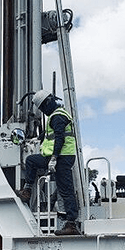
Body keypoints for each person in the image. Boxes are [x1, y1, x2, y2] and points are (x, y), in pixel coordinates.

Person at [17, 90, 81, 235]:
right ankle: (27, 191)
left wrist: (54, 158)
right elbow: (50, 133)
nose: (43, 112)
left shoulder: (57, 116)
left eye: (42, 108)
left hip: (61, 158)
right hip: (61, 157)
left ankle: (71, 224)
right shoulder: (57, 115)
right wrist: (38, 138)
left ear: (47, 103)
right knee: (32, 161)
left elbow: (60, 138)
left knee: (66, 189)